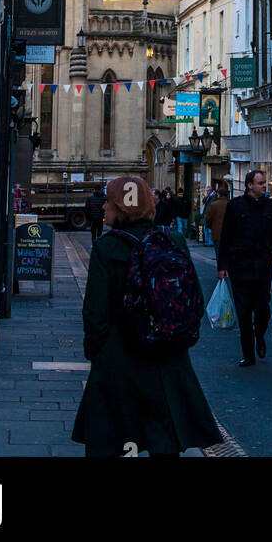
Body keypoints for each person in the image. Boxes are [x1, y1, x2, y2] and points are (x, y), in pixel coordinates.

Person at [72, 176, 219, 458]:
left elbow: (94, 313)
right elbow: (194, 300)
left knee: (109, 440)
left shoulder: (107, 247)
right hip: (167, 359)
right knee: (164, 442)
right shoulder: (172, 239)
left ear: (120, 207)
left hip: (119, 359)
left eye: (108, 202)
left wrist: (96, 353)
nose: (104, 207)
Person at [217, 170, 272, 367]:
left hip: (262, 267)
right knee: (243, 312)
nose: (265, 186)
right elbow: (225, 236)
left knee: (262, 310)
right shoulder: (235, 206)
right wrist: (223, 266)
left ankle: (260, 335)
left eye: (264, 183)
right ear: (249, 185)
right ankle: (248, 353)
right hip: (240, 267)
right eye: (261, 183)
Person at [204, 182, 229, 263]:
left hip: (217, 232)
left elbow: (209, 218)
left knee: (218, 252)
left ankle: (221, 270)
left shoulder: (214, 205)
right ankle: (227, 270)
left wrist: (210, 226)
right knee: (227, 252)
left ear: (218, 194)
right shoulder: (231, 204)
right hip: (228, 233)